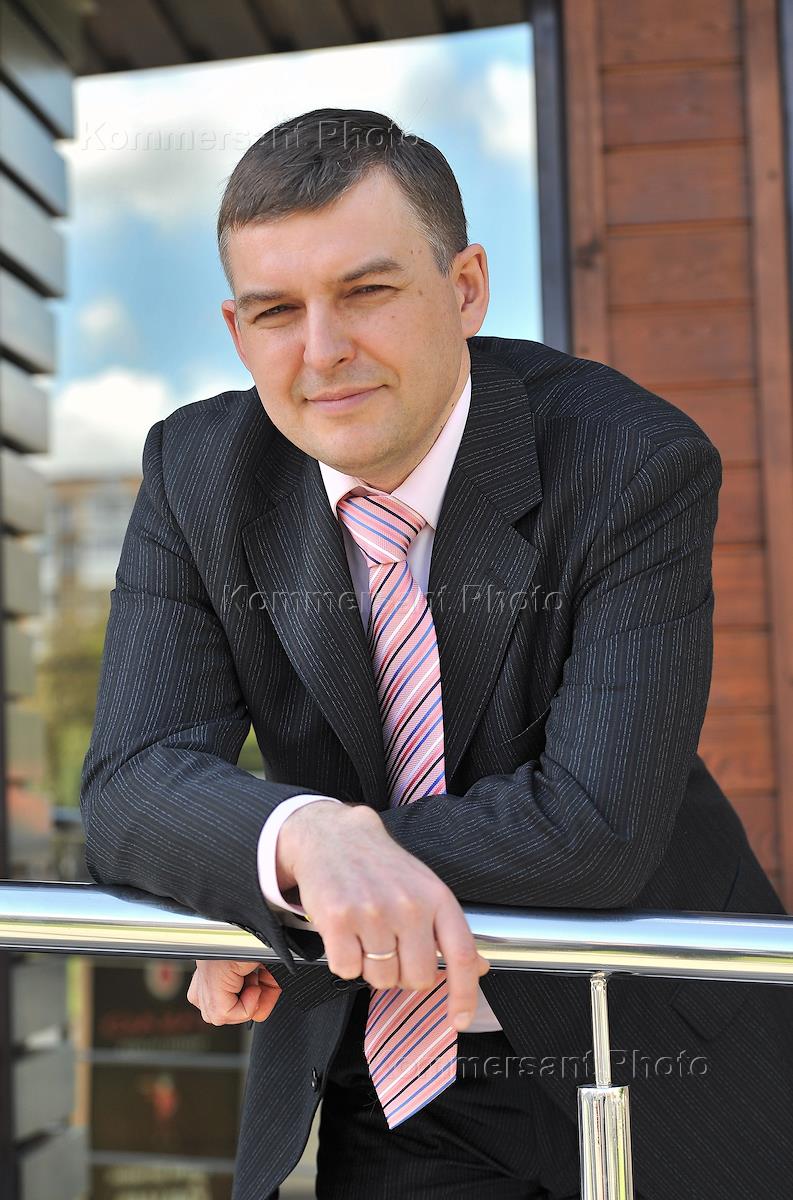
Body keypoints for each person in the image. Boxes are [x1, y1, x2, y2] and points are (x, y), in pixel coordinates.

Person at [80, 108, 793, 1200]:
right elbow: (129, 783)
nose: (322, 350)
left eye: (366, 291)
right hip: (386, 1070)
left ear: (464, 288)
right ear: (236, 329)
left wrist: (294, 891)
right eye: (276, 310)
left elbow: (592, 827)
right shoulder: (197, 473)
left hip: (645, 1046)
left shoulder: (629, 460)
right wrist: (293, 843)